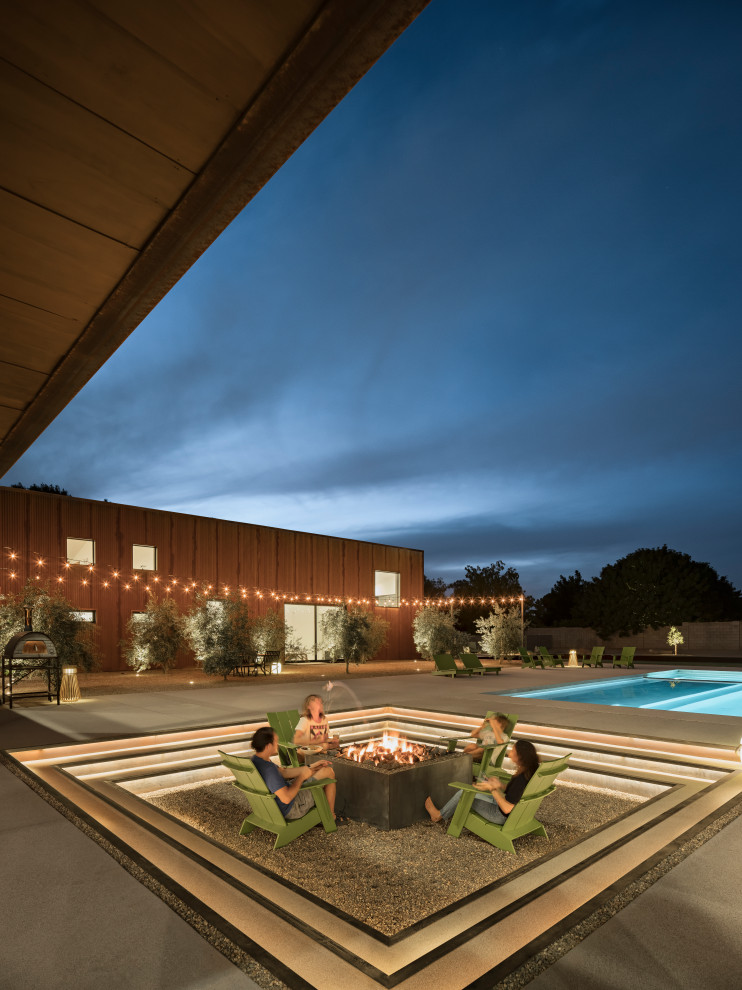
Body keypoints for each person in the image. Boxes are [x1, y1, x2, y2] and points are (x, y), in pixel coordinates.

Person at [425, 739, 539, 826]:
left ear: (520, 756)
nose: (510, 753)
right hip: (514, 813)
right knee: (474, 790)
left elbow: (507, 809)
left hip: (499, 815)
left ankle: (438, 815)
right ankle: (447, 810)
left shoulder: (521, 779)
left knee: (464, 793)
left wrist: (492, 789)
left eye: (513, 751)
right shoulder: (529, 771)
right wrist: (500, 785)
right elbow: (515, 793)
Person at [251, 725, 337, 820]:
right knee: (328, 771)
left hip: (274, 805)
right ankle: (330, 817)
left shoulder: (257, 760)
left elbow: (284, 772)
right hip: (291, 808)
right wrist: (301, 778)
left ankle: (328, 813)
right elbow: (286, 798)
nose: (277, 744)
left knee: (320, 770)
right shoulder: (269, 770)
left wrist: (311, 766)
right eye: (275, 741)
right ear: (268, 746)